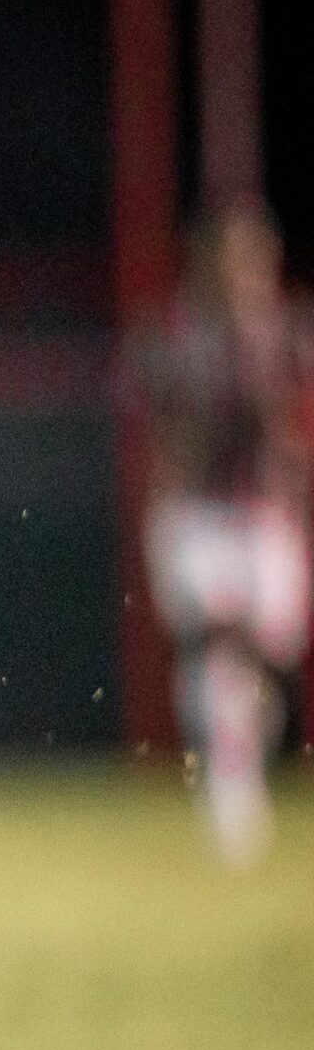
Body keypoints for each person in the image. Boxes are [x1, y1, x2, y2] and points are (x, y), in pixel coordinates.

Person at [122, 203, 313, 865]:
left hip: (267, 514)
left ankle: (244, 749)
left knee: (269, 653)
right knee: (217, 644)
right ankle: (232, 796)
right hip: (200, 513)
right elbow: (158, 428)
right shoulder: (175, 340)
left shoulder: (289, 336)